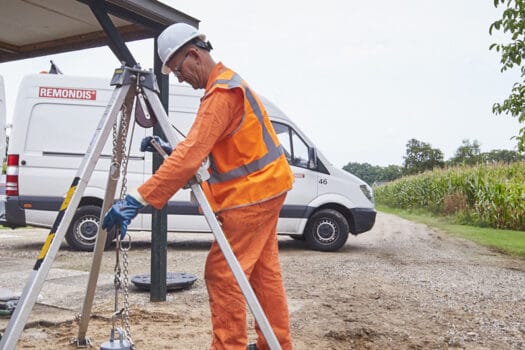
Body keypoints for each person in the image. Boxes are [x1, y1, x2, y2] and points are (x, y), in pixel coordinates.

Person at [102, 23, 294, 350]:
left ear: (193, 55)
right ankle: (275, 344)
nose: (179, 78)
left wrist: (137, 199)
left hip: (252, 195)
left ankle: (229, 346)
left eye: (178, 70)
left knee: (222, 273)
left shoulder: (221, 93)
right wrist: (170, 149)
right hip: (268, 188)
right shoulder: (227, 85)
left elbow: (192, 156)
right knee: (263, 274)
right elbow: (206, 148)